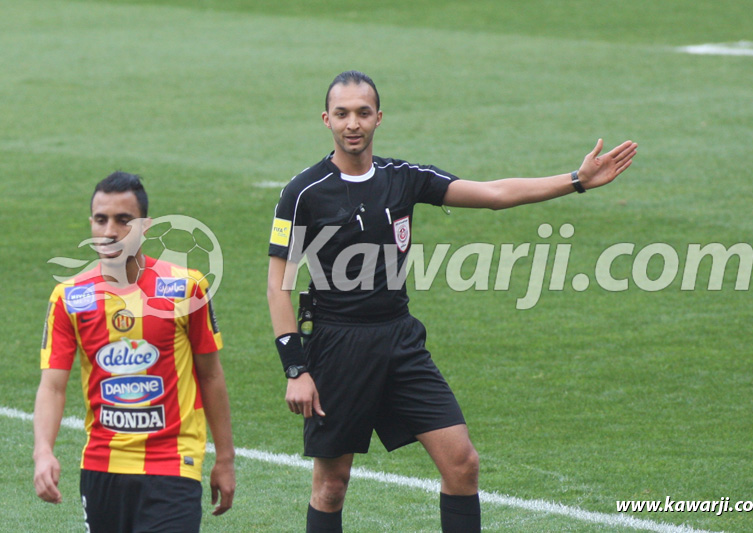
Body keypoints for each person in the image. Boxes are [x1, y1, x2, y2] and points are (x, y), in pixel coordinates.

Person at [267, 70, 637, 532]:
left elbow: (494, 195)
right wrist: (296, 369)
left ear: (379, 118)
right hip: (338, 346)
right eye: (342, 114)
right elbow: (277, 283)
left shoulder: (404, 179)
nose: (353, 123)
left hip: (400, 340)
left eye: (363, 112)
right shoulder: (302, 193)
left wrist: (576, 180)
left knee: (462, 464)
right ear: (326, 119)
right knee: (332, 484)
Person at [34, 171, 236, 532]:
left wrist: (225, 458)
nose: (110, 231)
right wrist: (43, 451)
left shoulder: (185, 288)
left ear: (146, 226)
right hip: (100, 467)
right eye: (101, 219)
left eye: (123, 220)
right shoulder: (69, 298)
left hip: (173, 466)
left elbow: (211, 375)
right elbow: (52, 386)